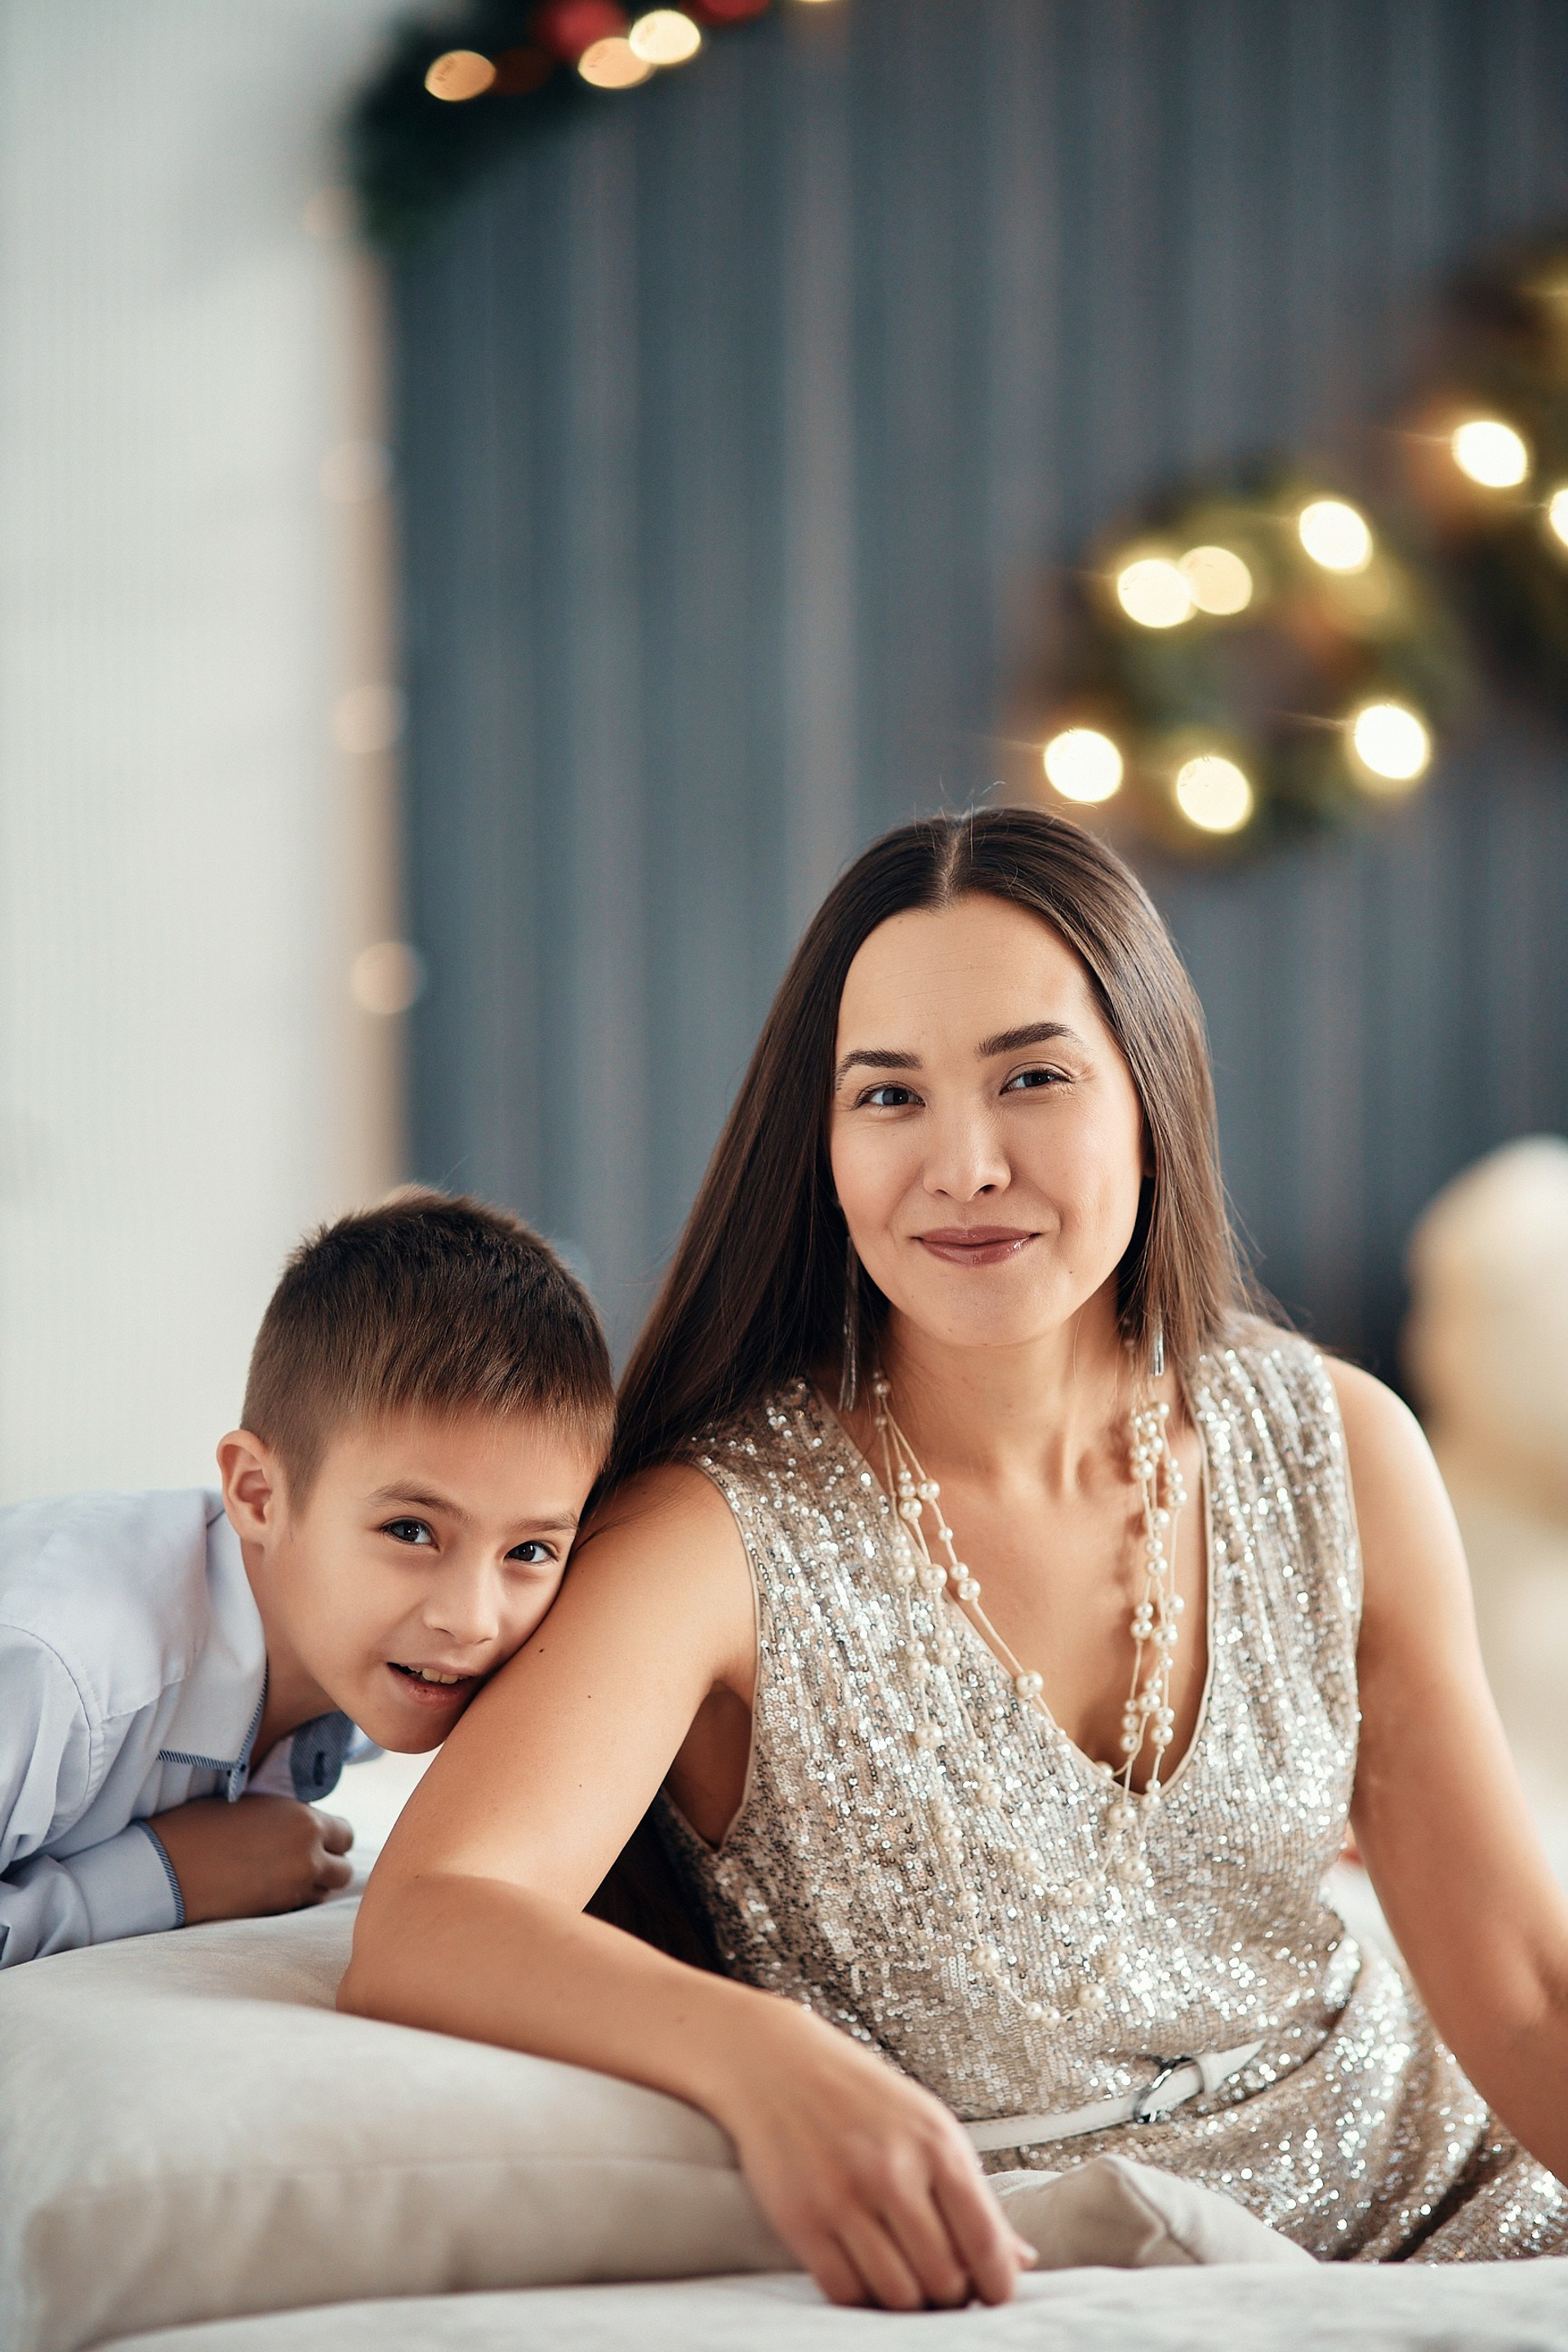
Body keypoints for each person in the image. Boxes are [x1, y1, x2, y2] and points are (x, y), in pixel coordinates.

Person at [341, 811, 1568, 2305]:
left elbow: (1515, 1981)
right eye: (889, 1096)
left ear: (1149, 1094)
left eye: (1032, 1077)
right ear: (828, 1141)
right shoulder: (715, 1536)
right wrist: (767, 2062)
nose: (964, 1164)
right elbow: (430, 1917)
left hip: (1450, 2200)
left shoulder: (1340, 1444)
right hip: (1073, 2278)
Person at [0, 1190, 612, 1967]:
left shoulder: (369, 1652)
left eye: (528, 1552)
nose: (474, 1620)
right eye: (411, 1531)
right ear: (259, 1494)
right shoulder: (56, 1670)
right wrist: (158, 1878)